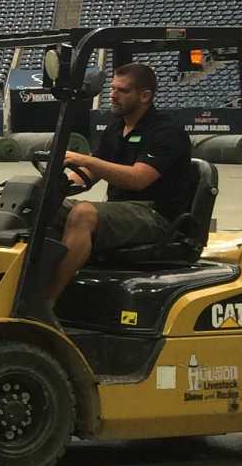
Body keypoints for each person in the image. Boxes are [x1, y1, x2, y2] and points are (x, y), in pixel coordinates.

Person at [47, 61, 194, 304]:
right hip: (122, 212)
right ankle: (25, 285)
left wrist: (86, 160)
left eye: (122, 91)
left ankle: (47, 301)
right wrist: (60, 185)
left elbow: (137, 179)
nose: (113, 96)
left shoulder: (166, 131)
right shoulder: (116, 127)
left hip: (156, 214)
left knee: (83, 213)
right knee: (40, 203)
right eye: (112, 89)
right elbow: (91, 173)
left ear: (145, 96)